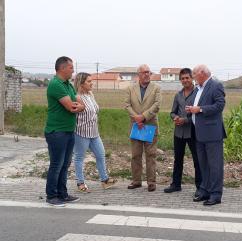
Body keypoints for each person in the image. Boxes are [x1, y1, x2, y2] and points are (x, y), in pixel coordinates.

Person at [44, 56, 85, 207]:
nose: (73, 71)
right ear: (62, 68)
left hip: (68, 130)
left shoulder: (68, 84)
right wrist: (77, 106)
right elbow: (72, 107)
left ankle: (63, 193)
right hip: (57, 132)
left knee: (65, 164)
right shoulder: (56, 84)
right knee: (56, 164)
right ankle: (52, 195)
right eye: (71, 68)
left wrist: (78, 106)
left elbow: (80, 104)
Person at [185, 65, 227, 206]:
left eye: (194, 74)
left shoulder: (215, 85)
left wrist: (200, 109)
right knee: (203, 164)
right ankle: (205, 190)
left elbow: (220, 105)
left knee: (214, 165)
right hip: (200, 133)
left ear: (202, 73)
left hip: (212, 133)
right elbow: (197, 106)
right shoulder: (198, 88)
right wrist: (191, 110)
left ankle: (215, 194)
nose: (193, 77)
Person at [73, 72, 117, 193]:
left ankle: (105, 180)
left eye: (91, 81)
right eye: (89, 81)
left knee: (101, 154)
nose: (92, 83)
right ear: (81, 84)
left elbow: (94, 111)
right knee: (79, 157)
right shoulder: (76, 97)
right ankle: (80, 183)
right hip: (81, 132)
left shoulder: (90, 94)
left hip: (94, 132)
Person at [164, 68, 201, 194]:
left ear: (192, 78)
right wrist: (175, 118)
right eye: (183, 78)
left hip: (193, 132)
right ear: (180, 80)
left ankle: (200, 187)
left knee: (197, 160)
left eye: (187, 78)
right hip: (178, 132)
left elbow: (199, 114)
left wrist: (185, 120)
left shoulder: (198, 93)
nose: (185, 80)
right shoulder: (178, 95)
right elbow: (172, 112)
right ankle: (176, 184)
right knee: (178, 159)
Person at [124, 64, 161, 192]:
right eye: (144, 72)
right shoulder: (130, 88)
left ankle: (151, 182)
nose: (147, 74)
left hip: (150, 125)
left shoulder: (156, 88)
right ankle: (136, 181)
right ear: (138, 74)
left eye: (149, 72)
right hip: (136, 126)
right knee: (135, 155)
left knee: (151, 155)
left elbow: (157, 105)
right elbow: (127, 105)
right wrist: (136, 118)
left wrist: (143, 117)